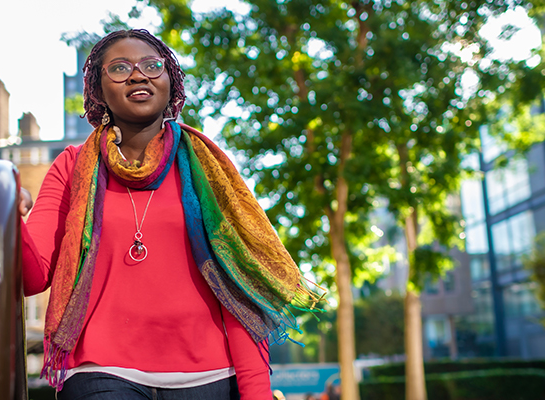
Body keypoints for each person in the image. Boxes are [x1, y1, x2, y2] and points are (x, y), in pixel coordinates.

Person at [17, 28, 322, 400]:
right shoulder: (72, 167)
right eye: (119, 68)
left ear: (169, 81)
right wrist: (7, 216)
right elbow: (32, 278)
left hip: (210, 377)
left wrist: (256, 391)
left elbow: (238, 291)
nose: (138, 74)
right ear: (98, 91)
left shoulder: (205, 169)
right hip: (102, 373)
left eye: (151, 65)